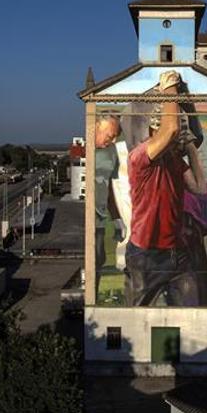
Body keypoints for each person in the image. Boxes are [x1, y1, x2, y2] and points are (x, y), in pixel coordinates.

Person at [124, 70, 206, 306]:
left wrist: (190, 148)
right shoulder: (139, 157)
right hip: (145, 255)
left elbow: (200, 188)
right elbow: (169, 129)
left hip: (176, 252)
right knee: (137, 321)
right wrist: (170, 87)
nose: (178, 132)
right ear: (154, 128)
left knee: (192, 312)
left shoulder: (174, 161)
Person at [94, 114, 125, 296]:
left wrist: (117, 219)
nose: (113, 140)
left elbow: (110, 188)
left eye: (115, 137)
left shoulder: (112, 151)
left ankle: (93, 296)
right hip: (82, 220)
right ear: (97, 126)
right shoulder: (84, 149)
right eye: (110, 135)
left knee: (99, 258)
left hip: (99, 220)